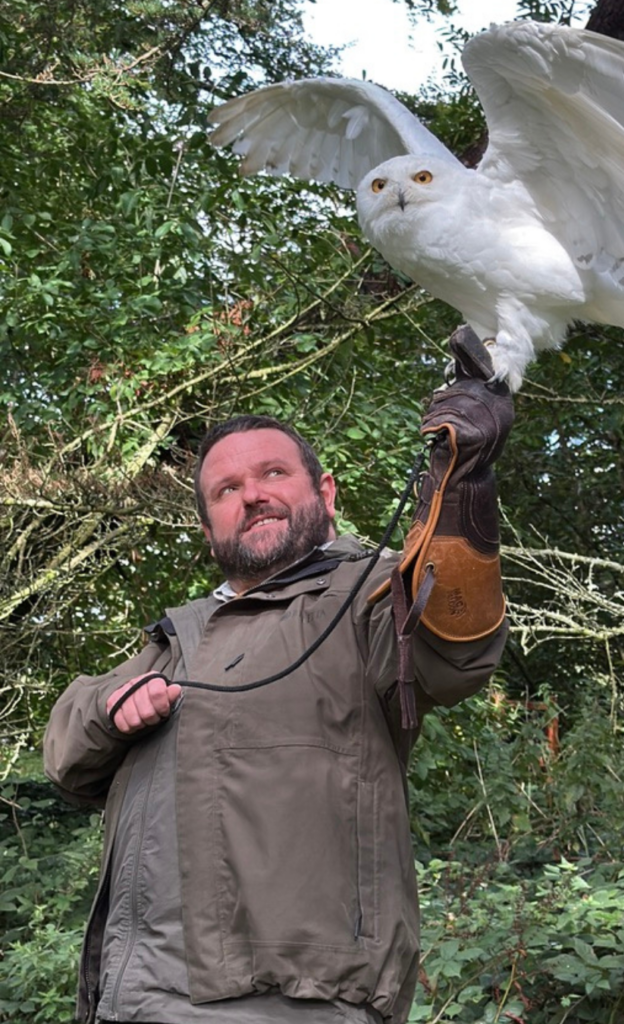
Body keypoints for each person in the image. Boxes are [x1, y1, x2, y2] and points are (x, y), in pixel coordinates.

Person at [44, 335, 513, 1024]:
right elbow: (63, 756)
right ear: (208, 530)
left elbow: (453, 651)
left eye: (272, 476)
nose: (252, 496)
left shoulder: (369, 595)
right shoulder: (178, 636)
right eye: (227, 490)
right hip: (131, 996)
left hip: (291, 999)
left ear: (324, 492)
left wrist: (461, 485)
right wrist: (110, 712)